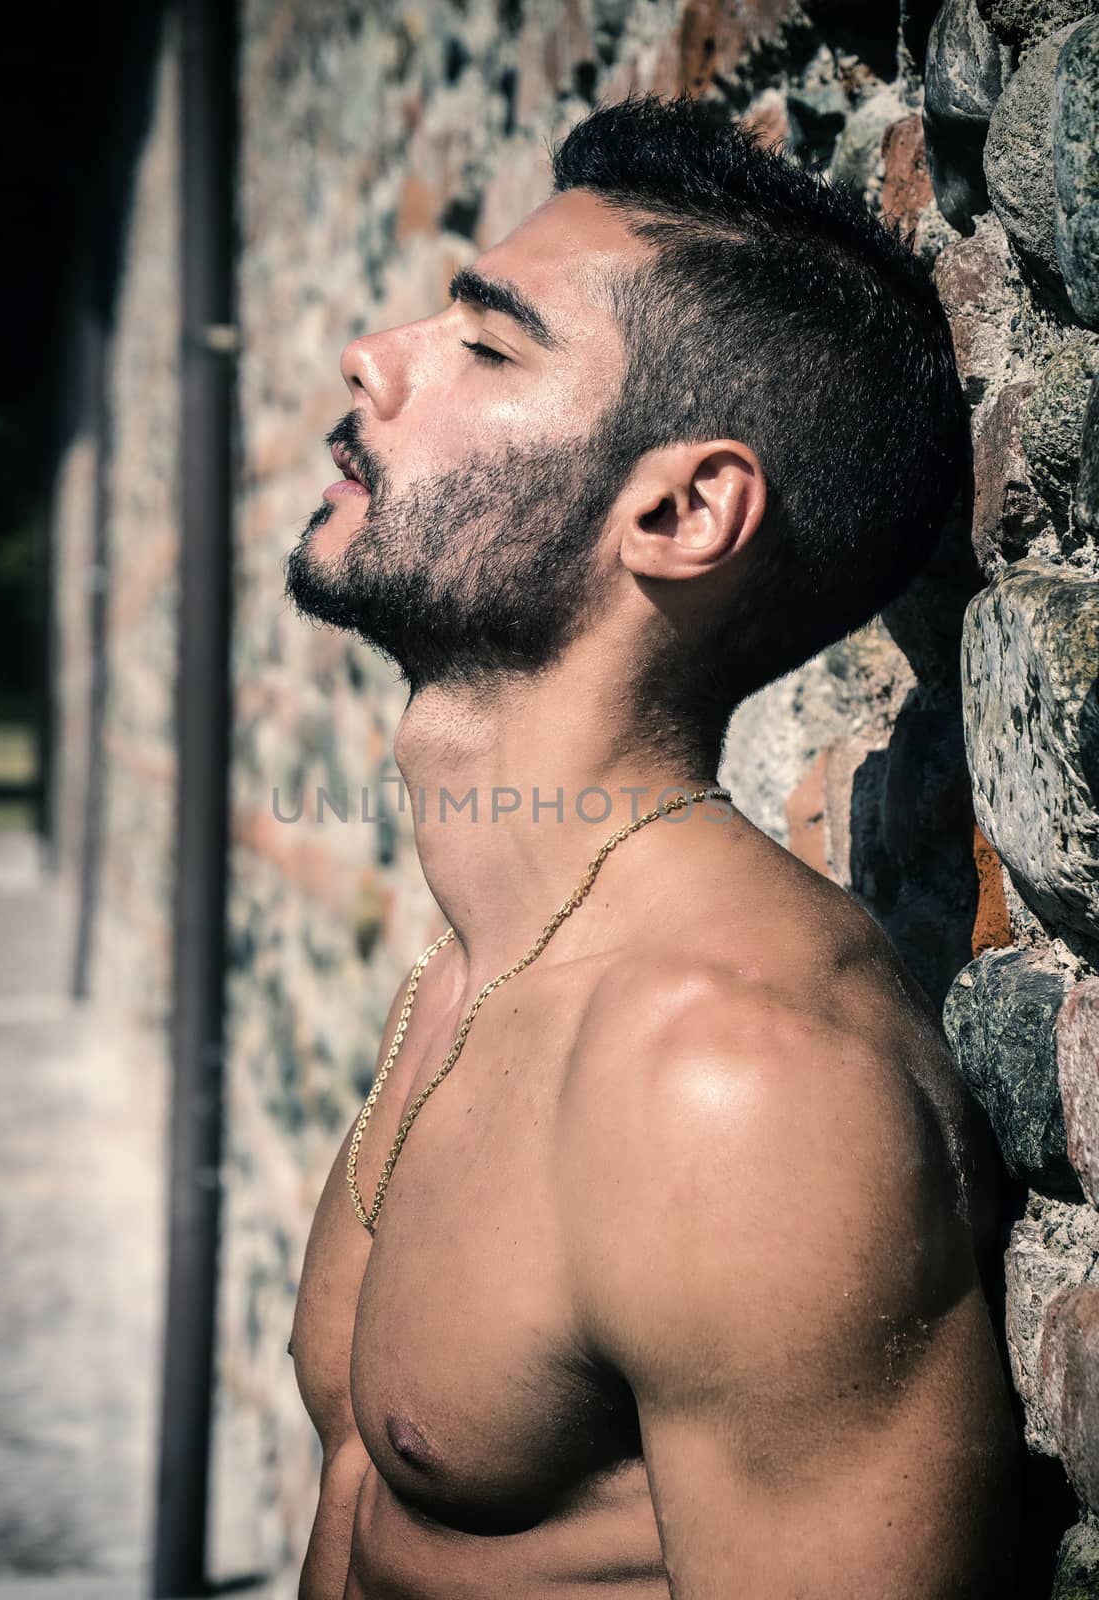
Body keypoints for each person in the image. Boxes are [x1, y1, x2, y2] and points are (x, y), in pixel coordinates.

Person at [284, 93, 1021, 1600]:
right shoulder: (482, 955)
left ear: (683, 511)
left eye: (488, 347)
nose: (377, 358)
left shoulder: (742, 1089)